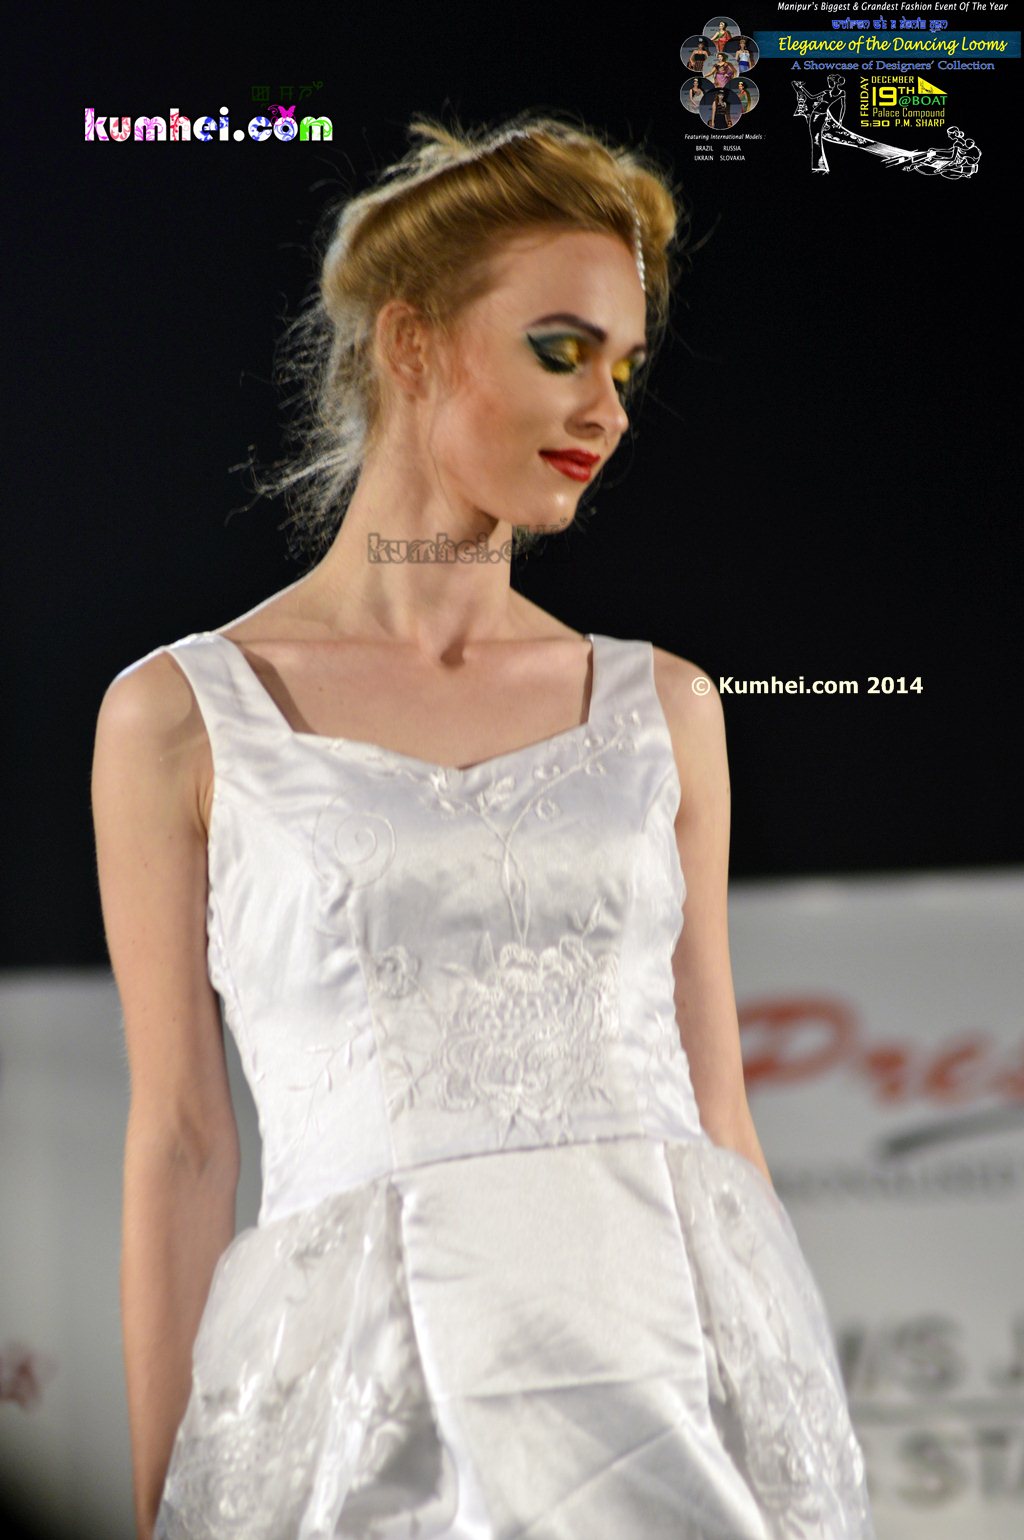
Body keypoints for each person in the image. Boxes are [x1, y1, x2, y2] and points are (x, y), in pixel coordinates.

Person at [92, 111, 876, 1539]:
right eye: (561, 350)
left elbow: (720, 1117)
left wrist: (791, 1447)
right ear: (412, 345)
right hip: (366, 1420)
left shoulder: (666, 708)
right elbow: (186, 1144)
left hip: (666, 1391)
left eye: (623, 367)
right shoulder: (180, 719)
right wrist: (160, 1508)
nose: (608, 411)